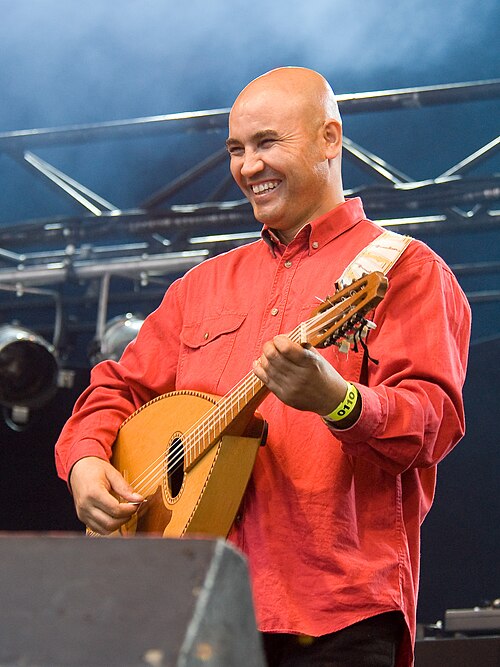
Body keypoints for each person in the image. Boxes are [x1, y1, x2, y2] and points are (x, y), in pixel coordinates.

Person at [55, 67, 471, 666]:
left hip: (334, 618)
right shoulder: (200, 286)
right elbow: (114, 389)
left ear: (330, 139)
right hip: (190, 614)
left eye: (267, 143)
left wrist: (341, 401)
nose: (248, 167)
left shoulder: (403, 268)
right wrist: (88, 463)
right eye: (236, 149)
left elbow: (430, 423)